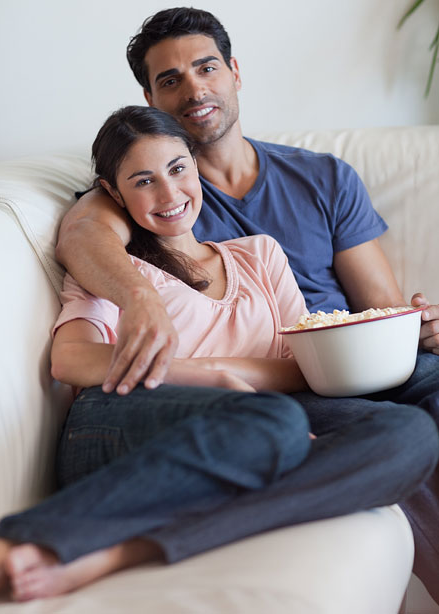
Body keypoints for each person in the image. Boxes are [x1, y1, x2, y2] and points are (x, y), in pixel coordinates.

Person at [55, 7, 439, 603]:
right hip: (277, 388)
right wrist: (137, 300)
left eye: (206, 67)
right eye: (169, 80)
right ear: (151, 97)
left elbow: (381, 307)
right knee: (308, 424)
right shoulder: (143, 204)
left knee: (429, 396)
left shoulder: (320, 182)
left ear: (235, 71)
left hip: (336, 359)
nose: (193, 88)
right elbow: (82, 236)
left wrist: (417, 326)